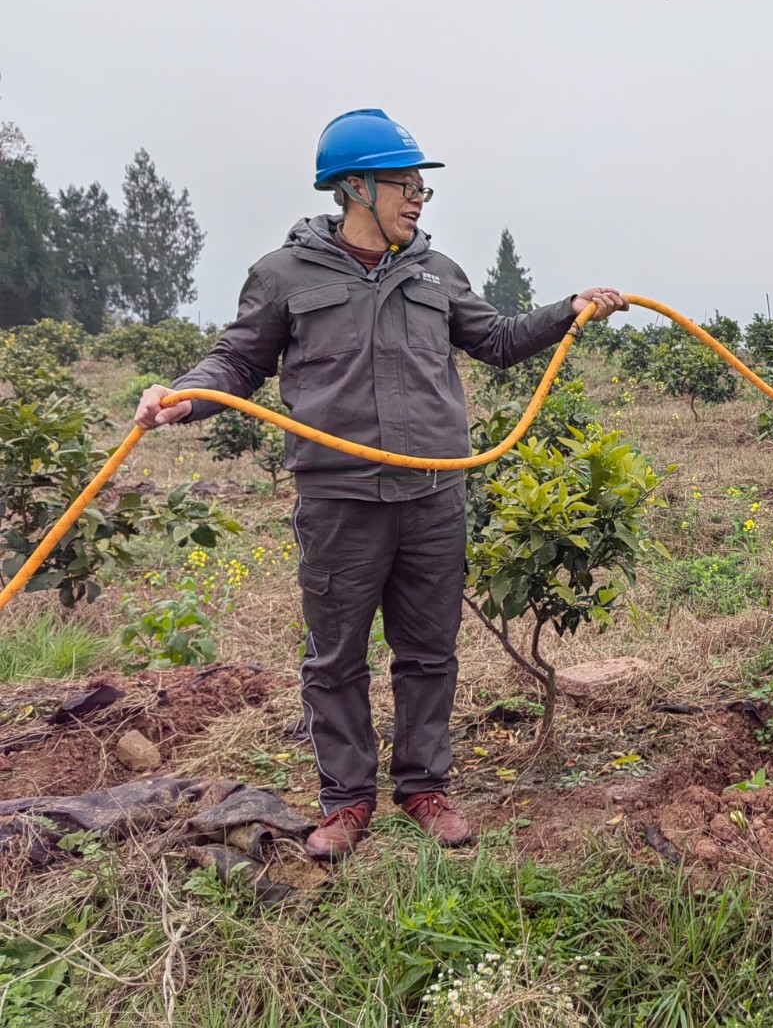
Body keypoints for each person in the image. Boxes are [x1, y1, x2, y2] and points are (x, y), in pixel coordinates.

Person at [135, 109, 627, 860]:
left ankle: (425, 788)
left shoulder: (437, 273)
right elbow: (235, 363)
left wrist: (569, 311)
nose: (418, 199)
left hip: (434, 496)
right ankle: (346, 803)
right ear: (353, 188)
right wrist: (182, 395)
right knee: (335, 659)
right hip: (339, 502)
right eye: (404, 184)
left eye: (422, 187)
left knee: (430, 652)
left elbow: (494, 340)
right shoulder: (283, 276)